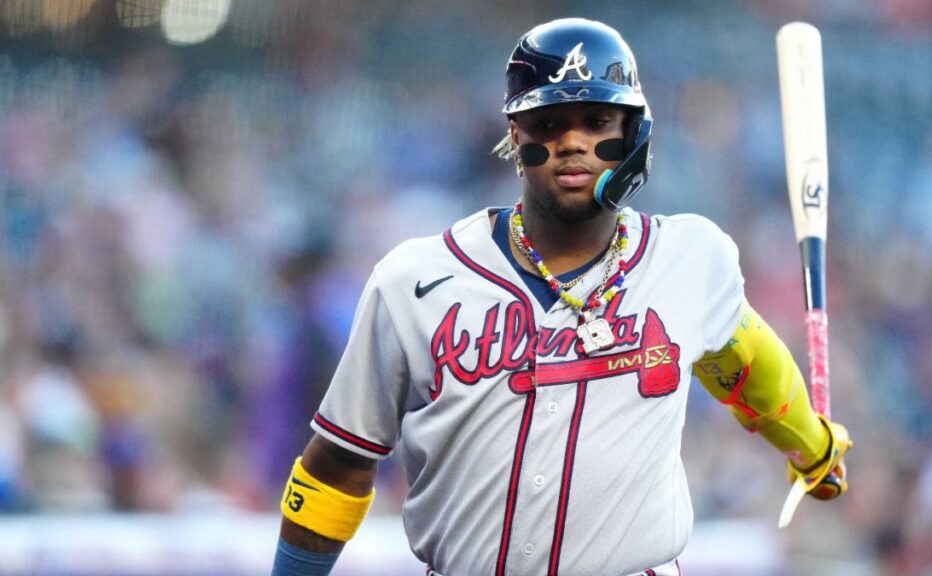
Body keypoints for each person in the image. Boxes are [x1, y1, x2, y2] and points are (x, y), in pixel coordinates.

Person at [271, 17, 852, 576]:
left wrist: (811, 445)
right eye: (548, 122)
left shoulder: (692, 258)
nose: (573, 142)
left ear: (632, 134)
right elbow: (338, 462)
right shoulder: (414, 281)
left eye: (597, 120)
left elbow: (747, 361)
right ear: (515, 135)